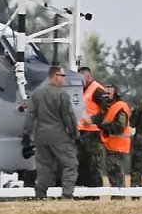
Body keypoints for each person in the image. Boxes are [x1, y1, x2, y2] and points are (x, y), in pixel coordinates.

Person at [22, 65, 79, 199]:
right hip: (59, 136)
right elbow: (69, 117)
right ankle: (67, 195)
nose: (64, 79)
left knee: (44, 167)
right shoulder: (61, 94)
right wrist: (75, 134)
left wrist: (26, 135)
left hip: (41, 136)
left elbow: (30, 115)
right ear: (55, 76)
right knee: (71, 164)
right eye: (63, 76)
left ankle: (40, 195)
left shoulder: (37, 94)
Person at [98, 83, 131, 196]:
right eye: (105, 93)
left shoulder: (120, 107)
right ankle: (118, 195)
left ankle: (119, 196)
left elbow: (120, 127)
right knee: (113, 171)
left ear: (115, 93)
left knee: (115, 171)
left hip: (118, 145)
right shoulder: (111, 106)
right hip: (112, 145)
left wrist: (105, 127)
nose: (106, 95)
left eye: (109, 93)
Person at [76, 66, 105, 191]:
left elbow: (107, 110)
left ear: (88, 76)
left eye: (82, 77)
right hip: (80, 132)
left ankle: (95, 193)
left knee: (93, 165)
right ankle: (82, 192)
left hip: (93, 133)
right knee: (81, 164)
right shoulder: (80, 90)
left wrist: (93, 120)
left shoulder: (97, 89)